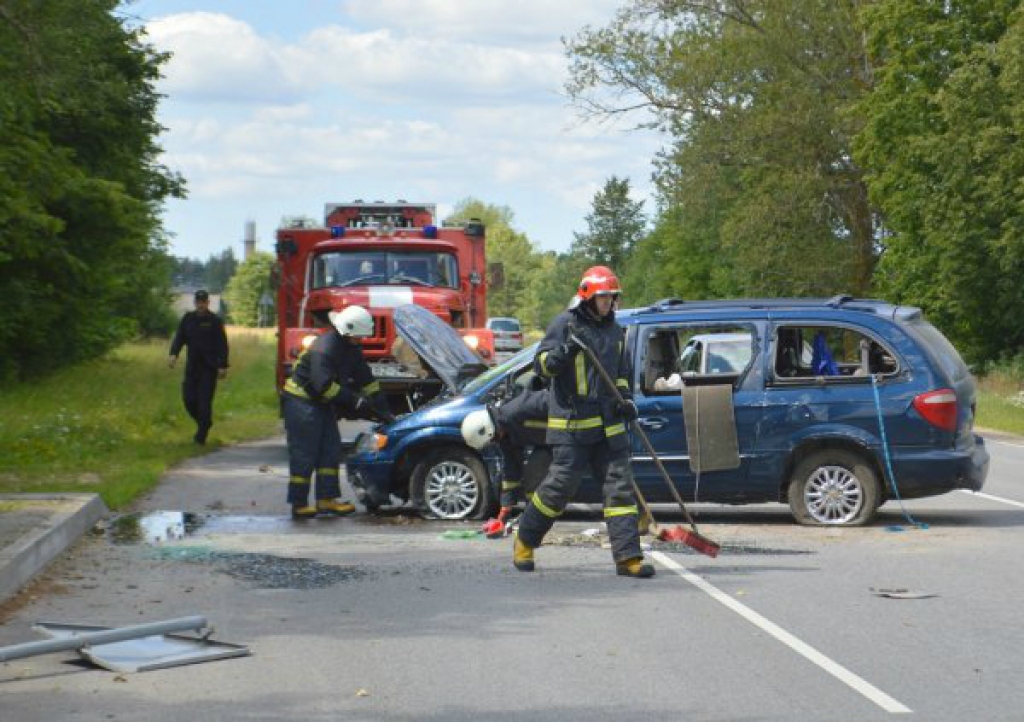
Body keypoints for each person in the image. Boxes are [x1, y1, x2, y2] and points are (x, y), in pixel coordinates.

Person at [512, 266, 655, 578]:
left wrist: (626, 400)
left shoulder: (615, 331)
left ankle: (628, 558)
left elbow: (620, 374)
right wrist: (563, 353)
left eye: (612, 298)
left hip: (609, 425)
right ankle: (525, 539)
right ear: (588, 296)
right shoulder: (564, 324)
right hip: (573, 426)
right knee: (558, 490)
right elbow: (541, 369)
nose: (608, 303)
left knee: (620, 490)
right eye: (603, 297)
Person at [281, 305, 394, 519]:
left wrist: (383, 409)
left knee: (330, 450)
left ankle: (327, 500)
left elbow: (366, 380)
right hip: (301, 404)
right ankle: (298, 503)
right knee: (305, 454)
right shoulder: (325, 348)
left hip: (321, 404)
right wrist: (354, 401)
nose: (362, 340)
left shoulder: (350, 348)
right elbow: (323, 385)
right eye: (359, 336)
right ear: (348, 331)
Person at [461, 378, 549, 537]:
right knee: (532, 476)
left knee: (537, 471)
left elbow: (552, 401)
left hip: (570, 434)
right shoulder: (505, 434)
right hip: (549, 444)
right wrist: (504, 510)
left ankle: (534, 518)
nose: (495, 442)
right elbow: (511, 469)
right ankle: (533, 518)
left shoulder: (518, 409)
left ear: (489, 430)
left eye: (492, 439)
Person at [168, 289, 229, 445]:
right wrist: (174, 354)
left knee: (204, 402)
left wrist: (222, 365)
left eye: (204, 302)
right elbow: (179, 337)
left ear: (208, 303)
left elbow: (222, 344)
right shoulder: (188, 319)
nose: (201, 304)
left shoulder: (214, 321)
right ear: (195, 303)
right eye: (198, 302)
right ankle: (205, 423)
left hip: (208, 368)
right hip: (192, 367)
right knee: (188, 400)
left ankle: (201, 435)